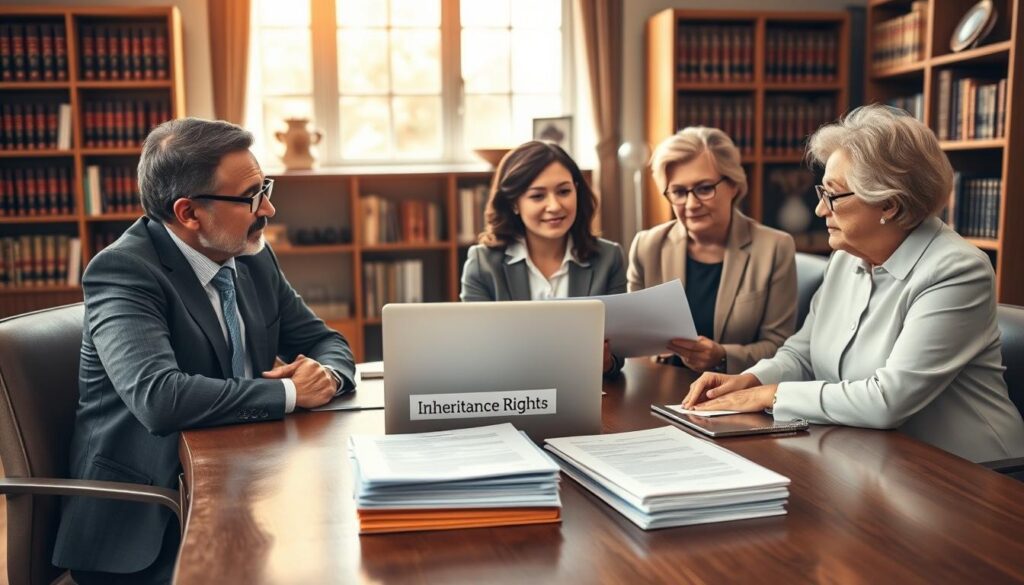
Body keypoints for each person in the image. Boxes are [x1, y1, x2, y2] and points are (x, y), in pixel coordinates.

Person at [52, 118, 357, 584]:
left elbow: (324, 340)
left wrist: (326, 376)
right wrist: (288, 395)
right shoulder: (123, 271)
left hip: (245, 490)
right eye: (253, 195)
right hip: (149, 521)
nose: (270, 208)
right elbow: (160, 398)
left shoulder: (251, 257)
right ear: (189, 213)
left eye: (266, 187)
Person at [683, 105, 1024, 464]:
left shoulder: (957, 272)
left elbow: (887, 401)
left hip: (976, 476)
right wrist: (751, 380)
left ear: (888, 204)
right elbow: (803, 353)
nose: (819, 210)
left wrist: (773, 395)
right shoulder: (847, 257)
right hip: (880, 459)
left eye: (833, 195)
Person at [628, 127, 796, 374]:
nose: (692, 204)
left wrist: (722, 356)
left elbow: (781, 348)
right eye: (678, 192)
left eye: (704, 188)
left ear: (734, 185)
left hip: (735, 393)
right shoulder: (647, 246)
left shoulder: (774, 248)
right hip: (659, 388)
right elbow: (632, 336)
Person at [460, 140, 627, 375]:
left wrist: (606, 362)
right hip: (510, 397)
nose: (554, 206)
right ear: (514, 204)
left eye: (564, 191)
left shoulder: (609, 257)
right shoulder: (482, 263)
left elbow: (618, 354)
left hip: (587, 394)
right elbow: (475, 350)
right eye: (538, 196)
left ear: (577, 191)